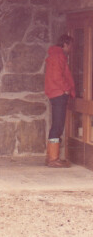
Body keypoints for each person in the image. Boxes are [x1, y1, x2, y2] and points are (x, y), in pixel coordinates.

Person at [44, 34, 75, 168]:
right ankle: (53, 159)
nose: (71, 48)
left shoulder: (56, 55)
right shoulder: (59, 56)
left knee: (57, 124)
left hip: (55, 93)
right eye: (70, 45)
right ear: (66, 44)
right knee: (57, 125)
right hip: (59, 94)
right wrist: (67, 89)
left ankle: (52, 157)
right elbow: (58, 77)